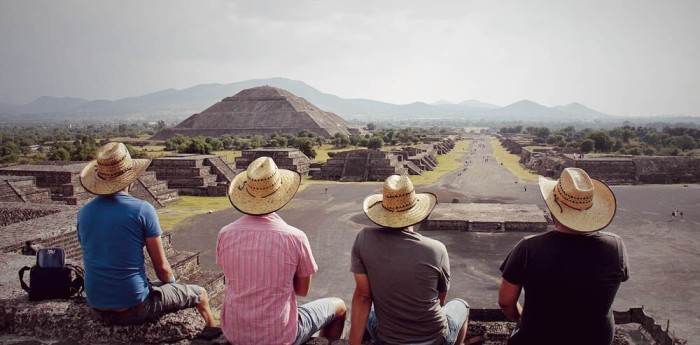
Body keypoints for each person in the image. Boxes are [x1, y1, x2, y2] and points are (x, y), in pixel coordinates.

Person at [77, 142, 215, 326]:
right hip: (134, 307)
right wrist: (172, 283)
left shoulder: (84, 212)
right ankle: (212, 334)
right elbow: (162, 269)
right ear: (131, 177)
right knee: (201, 294)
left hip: (96, 306)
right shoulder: (142, 210)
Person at [216, 157, 346, 345]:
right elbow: (302, 290)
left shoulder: (225, 233)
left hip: (235, 333)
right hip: (278, 335)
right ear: (281, 194)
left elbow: (234, 275)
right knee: (339, 306)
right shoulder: (295, 237)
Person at [499, 168, 629, 345]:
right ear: (591, 210)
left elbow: (506, 302)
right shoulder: (616, 247)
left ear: (553, 208)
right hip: (595, 339)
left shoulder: (529, 248)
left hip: (538, 338)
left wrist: (521, 320)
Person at [350, 175, 469, 345]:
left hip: (388, 340)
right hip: (434, 339)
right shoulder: (436, 249)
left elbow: (363, 296)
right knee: (461, 305)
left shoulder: (363, 239)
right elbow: (441, 299)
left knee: (371, 311)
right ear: (416, 210)